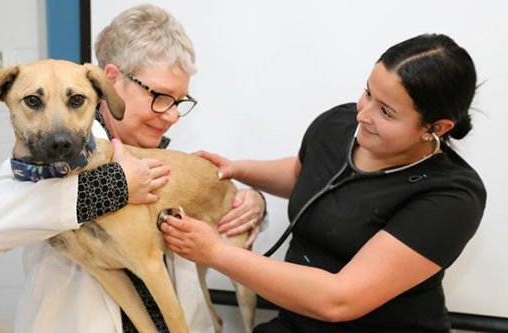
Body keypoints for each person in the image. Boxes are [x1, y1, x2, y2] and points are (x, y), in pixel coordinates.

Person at [0, 4, 266, 333]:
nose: (172, 116)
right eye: (161, 96)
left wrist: (254, 202)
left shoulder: (166, 161)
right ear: (111, 81)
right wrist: (115, 185)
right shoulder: (38, 163)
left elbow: (209, 191)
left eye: (180, 101)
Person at [161, 33, 487, 333]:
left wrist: (215, 253)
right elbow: (307, 177)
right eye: (368, 93)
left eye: (386, 112)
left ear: (437, 127)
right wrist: (240, 169)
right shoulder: (338, 125)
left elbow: (339, 299)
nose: (363, 115)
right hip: (297, 324)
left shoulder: (452, 197)